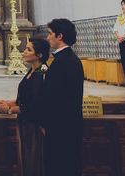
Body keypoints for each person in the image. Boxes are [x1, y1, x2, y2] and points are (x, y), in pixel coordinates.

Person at [0, 38, 50, 176]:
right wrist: (10, 103)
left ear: (39, 55)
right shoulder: (32, 71)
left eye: (29, 49)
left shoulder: (40, 74)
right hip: (25, 123)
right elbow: (24, 98)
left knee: (33, 160)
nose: (24, 52)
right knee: (26, 160)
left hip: (34, 125)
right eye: (26, 48)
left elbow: (34, 106)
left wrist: (9, 110)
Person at [42, 18, 84, 176]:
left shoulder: (64, 62)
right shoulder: (68, 59)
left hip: (61, 126)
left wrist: (45, 122)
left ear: (59, 36)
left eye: (50, 34)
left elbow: (54, 97)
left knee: (60, 167)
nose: (48, 37)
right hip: (66, 124)